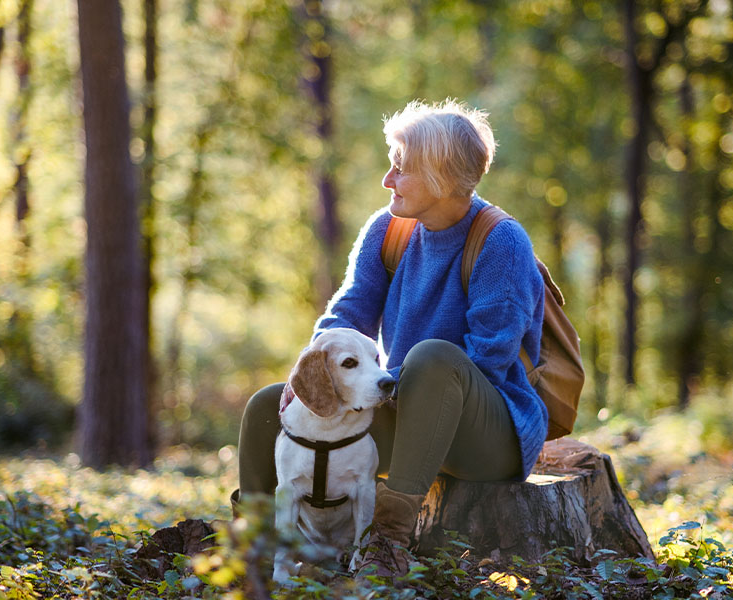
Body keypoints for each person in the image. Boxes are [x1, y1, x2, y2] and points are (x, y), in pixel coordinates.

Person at [233, 99, 548, 576]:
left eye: (400, 169)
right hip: (403, 408)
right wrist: (310, 373)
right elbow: (345, 315)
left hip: (486, 433)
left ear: (441, 176)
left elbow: (489, 357)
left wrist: (387, 380)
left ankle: (386, 543)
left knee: (433, 358)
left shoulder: (501, 241)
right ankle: (257, 550)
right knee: (267, 405)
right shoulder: (387, 230)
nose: (387, 180)